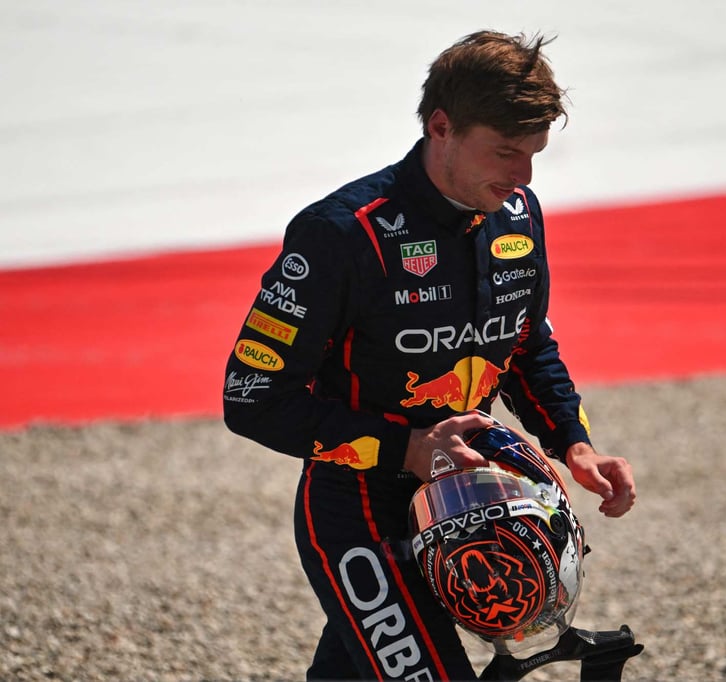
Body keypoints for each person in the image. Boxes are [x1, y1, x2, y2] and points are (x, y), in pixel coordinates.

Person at [223, 30, 636, 681]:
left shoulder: (518, 214)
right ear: (440, 126)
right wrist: (408, 449)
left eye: (535, 153)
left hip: (479, 492)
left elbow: (526, 344)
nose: (524, 175)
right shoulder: (339, 234)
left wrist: (573, 442)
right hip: (357, 506)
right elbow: (251, 398)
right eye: (506, 152)